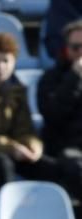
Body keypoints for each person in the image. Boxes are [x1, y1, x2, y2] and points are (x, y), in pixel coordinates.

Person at [0, 32, 79, 198]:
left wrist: (33, 146)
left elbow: (25, 129)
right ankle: (11, 213)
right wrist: (11, 148)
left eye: (5, 61)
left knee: (52, 168)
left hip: (12, 152)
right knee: (1, 165)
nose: (0, 66)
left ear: (14, 63)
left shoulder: (17, 91)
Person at [38, 18, 82, 188]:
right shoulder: (50, 79)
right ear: (66, 48)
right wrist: (74, 78)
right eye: (75, 47)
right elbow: (53, 115)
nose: (80, 52)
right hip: (66, 149)